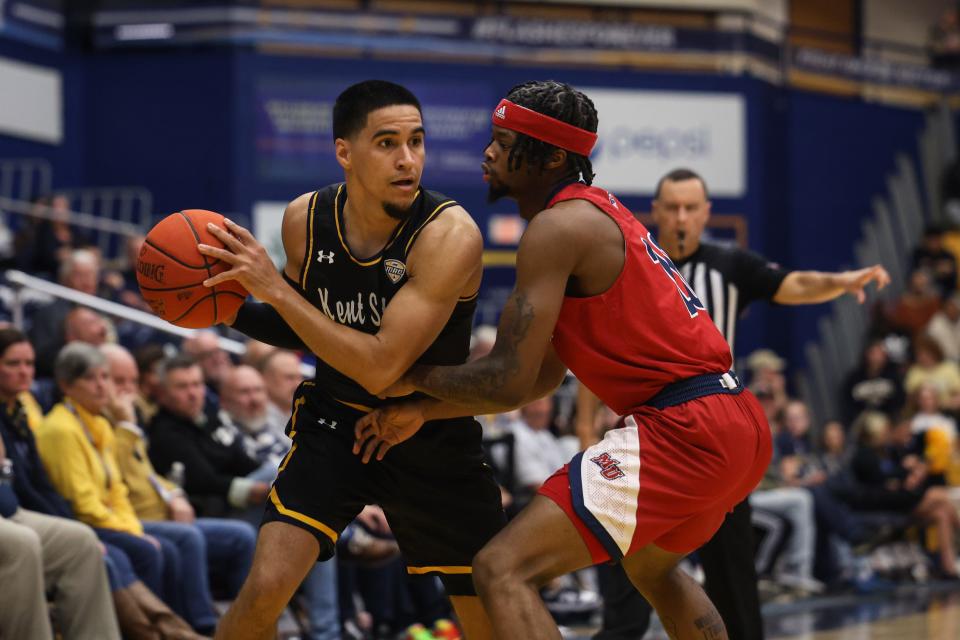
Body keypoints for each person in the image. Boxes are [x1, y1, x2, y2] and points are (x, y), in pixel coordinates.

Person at [353, 80, 772, 639]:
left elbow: (504, 379)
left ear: (551, 157)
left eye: (505, 142)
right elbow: (534, 382)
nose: (489, 152)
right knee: (650, 564)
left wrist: (399, 374)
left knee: (501, 570)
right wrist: (424, 410)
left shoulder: (557, 227)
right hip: (735, 421)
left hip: (686, 426)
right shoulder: (592, 217)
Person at [196, 80, 504, 640]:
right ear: (345, 152)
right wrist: (220, 308)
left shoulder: (449, 236)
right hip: (335, 424)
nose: (407, 159)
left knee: (490, 622)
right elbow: (307, 327)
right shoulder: (305, 220)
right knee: (262, 591)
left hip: (427, 434)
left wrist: (276, 289)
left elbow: (382, 366)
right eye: (387, 143)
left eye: (417, 141)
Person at [569, 167, 892, 639]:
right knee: (627, 585)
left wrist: (841, 282)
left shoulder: (728, 266)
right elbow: (595, 344)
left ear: (706, 213)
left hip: (714, 441)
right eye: (672, 207)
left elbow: (794, 285)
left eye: (690, 207)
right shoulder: (628, 261)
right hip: (646, 443)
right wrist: (582, 427)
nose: (681, 217)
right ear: (655, 212)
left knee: (734, 586)